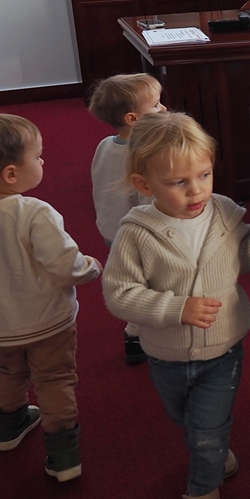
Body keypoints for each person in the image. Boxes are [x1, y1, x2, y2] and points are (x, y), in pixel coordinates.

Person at [101, 111, 250, 499]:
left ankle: (202, 494)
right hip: (165, 355)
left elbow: (242, 261)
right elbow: (119, 294)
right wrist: (175, 309)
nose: (196, 189)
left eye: (203, 175)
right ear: (144, 185)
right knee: (183, 417)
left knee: (207, 428)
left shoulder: (224, 213)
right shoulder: (136, 233)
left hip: (224, 348)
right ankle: (210, 445)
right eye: (178, 182)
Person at [0, 114, 100, 482]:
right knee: (55, 379)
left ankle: (8, 427)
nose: (43, 161)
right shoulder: (33, 212)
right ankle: (63, 456)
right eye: (38, 156)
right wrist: (90, 268)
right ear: (11, 174)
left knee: (9, 370)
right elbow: (64, 265)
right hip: (48, 322)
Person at [87, 73, 167, 364]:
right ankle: (137, 333)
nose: (163, 109)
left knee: (133, 277)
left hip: (111, 228)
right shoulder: (145, 154)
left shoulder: (104, 145)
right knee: (151, 282)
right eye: (155, 105)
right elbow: (149, 203)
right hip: (139, 235)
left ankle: (136, 330)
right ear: (133, 119)